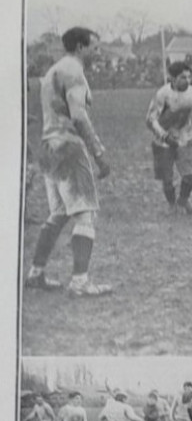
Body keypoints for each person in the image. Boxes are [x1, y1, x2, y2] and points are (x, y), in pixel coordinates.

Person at [25, 26, 114, 298]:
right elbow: (78, 116)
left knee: (59, 213)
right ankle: (80, 281)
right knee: (85, 214)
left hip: (48, 146)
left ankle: (36, 273)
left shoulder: (52, 71)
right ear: (79, 47)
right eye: (95, 47)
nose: (98, 53)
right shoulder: (74, 72)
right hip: (68, 146)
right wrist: (98, 152)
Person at [145, 61, 192, 215]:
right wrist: (164, 137)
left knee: (190, 175)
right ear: (172, 78)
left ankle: (183, 201)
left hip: (184, 137)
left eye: (188, 77)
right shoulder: (163, 94)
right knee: (167, 179)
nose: (187, 80)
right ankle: (172, 206)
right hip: (163, 141)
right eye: (182, 77)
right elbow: (150, 119)